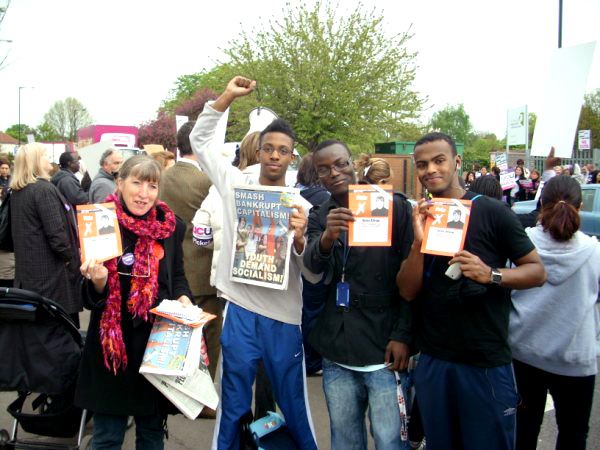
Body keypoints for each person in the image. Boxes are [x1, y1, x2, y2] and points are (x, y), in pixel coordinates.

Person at [190, 76, 318, 450]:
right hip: (242, 311)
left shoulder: (301, 206)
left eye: (283, 150)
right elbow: (200, 143)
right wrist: (226, 97)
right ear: (258, 150)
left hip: (283, 318)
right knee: (233, 403)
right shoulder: (234, 186)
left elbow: (313, 272)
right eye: (269, 148)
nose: (275, 155)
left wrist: (299, 239)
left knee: (293, 403)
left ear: (291, 157)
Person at [396, 132, 546, 450]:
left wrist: (490, 274)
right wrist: (418, 242)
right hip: (435, 358)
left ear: (457, 162)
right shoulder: (423, 214)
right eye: (422, 164)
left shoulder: (493, 212)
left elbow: (536, 271)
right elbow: (408, 292)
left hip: (484, 360)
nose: (430, 170)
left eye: (439, 160)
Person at [74, 155, 193, 449]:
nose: (144, 193)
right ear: (120, 182)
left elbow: (177, 275)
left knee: (152, 433)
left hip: (157, 345)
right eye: (136, 183)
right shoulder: (101, 222)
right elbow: (91, 298)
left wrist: (184, 297)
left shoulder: (171, 226)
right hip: (113, 346)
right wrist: (98, 280)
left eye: (152, 186)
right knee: (107, 436)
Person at [304, 139, 414, 450]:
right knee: (344, 440)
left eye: (340, 164)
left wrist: (404, 334)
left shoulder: (394, 206)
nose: (334, 173)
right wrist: (326, 237)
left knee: (391, 441)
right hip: (337, 347)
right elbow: (312, 269)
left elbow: (410, 280)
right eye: (324, 169)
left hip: (384, 348)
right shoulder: (320, 214)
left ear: (353, 163)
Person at [510, 175, 600, 450]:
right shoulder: (595, 251)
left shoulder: (520, 244)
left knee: (523, 430)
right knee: (573, 434)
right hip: (576, 357)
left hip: (524, 353)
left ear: (540, 204)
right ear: (580, 205)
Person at [159, 121, 218, 384]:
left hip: (167, 269)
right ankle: (203, 396)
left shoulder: (162, 176)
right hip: (202, 271)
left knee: (173, 337)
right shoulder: (207, 181)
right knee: (209, 336)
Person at [10, 143, 82, 325]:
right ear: (34, 161)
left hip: (30, 274)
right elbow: (57, 233)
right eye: (44, 154)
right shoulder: (43, 189)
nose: (49, 157)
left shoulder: (19, 191)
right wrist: (69, 258)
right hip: (51, 276)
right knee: (60, 330)